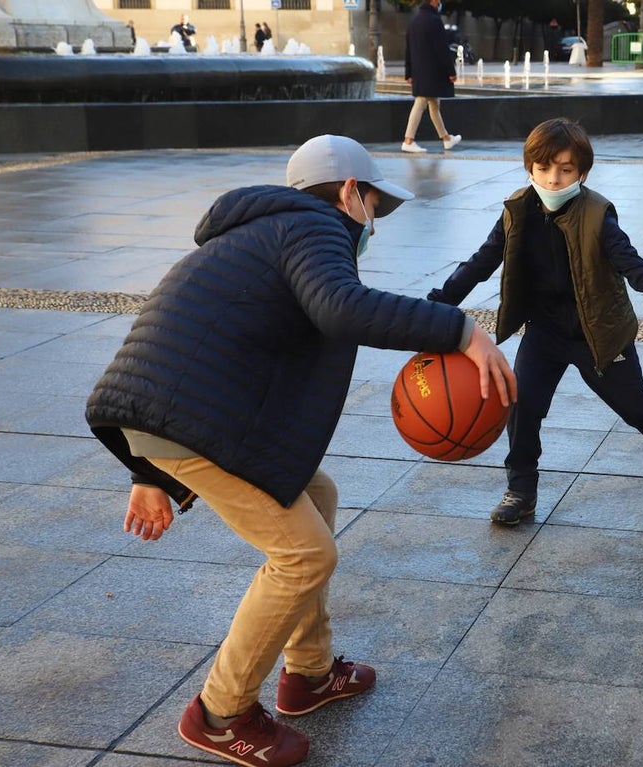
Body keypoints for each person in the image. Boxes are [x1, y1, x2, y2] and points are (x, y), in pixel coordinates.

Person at [84, 134, 516, 767]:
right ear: (349, 193)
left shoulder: (262, 233)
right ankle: (220, 713)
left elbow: (180, 350)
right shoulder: (312, 226)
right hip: (191, 422)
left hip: (182, 415)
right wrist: (460, 329)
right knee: (303, 555)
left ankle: (308, 673)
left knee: (316, 492)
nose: (374, 222)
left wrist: (144, 466)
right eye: (374, 205)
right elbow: (342, 308)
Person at [427, 118, 643, 525]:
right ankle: (521, 490)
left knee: (637, 409)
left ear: (582, 172)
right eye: (544, 168)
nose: (554, 179)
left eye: (565, 169)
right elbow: (481, 262)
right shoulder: (517, 210)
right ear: (530, 167)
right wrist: (437, 303)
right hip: (544, 332)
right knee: (522, 403)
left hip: (596, 334)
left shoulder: (598, 216)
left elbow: (633, 265)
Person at [401, 0, 461, 153]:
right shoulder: (434, 21)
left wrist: (408, 72)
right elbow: (442, 49)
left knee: (434, 104)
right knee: (421, 102)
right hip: (431, 71)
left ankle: (447, 139)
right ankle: (408, 140)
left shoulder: (414, 21)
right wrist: (451, 72)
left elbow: (408, 48)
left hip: (419, 71)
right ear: (433, 1)